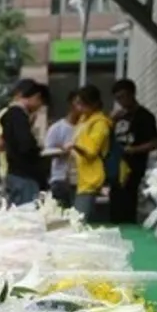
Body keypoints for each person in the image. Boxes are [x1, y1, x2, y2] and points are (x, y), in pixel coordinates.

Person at [111, 79, 157, 223]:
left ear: (132, 94)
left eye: (123, 96)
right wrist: (111, 121)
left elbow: (155, 142)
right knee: (115, 207)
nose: (121, 101)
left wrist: (134, 149)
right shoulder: (118, 116)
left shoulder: (145, 116)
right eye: (117, 98)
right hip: (117, 169)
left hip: (134, 169)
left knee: (128, 207)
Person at [0, 79, 50, 205]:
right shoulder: (18, 115)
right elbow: (25, 145)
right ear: (36, 97)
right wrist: (39, 152)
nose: (38, 108)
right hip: (24, 174)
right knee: (26, 216)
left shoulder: (7, 115)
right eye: (40, 103)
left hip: (14, 172)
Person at [65, 85, 112, 220]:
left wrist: (75, 146)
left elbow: (91, 152)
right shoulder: (84, 119)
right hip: (77, 174)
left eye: (82, 104)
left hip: (90, 177)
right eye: (77, 104)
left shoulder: (100, 123)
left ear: (94, 104)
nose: (79, 108)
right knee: (73, 217)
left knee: (79, 219)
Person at [44, 92, 80, 208]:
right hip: (60, 178)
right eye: (78, 103)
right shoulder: (57, 128)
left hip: (82, 180)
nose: (81, 107)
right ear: (70, 105)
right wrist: (62, 150)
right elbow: (47, 152)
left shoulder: (86, 127)